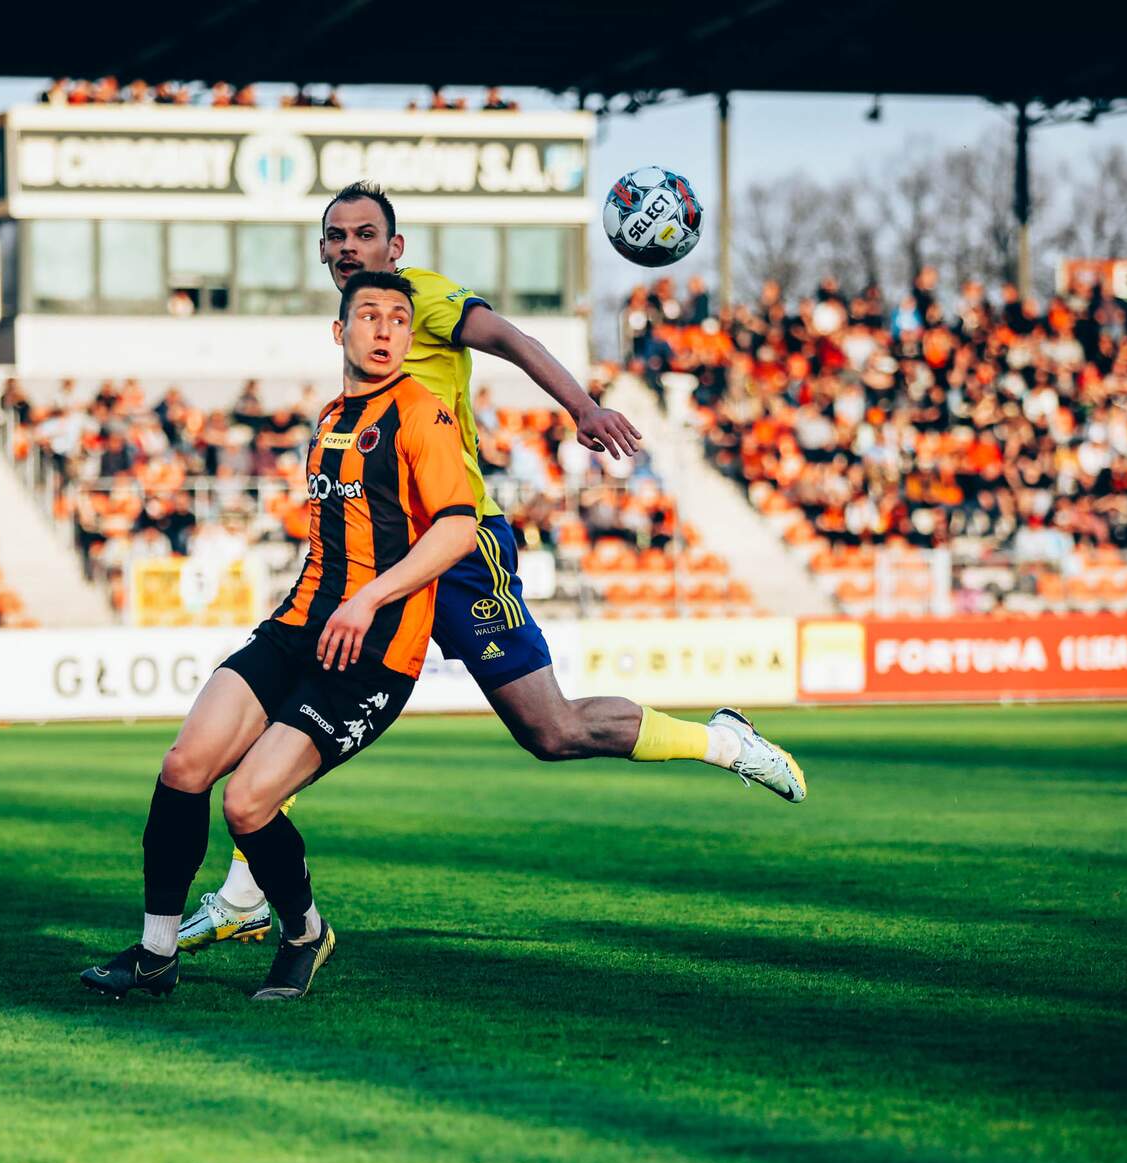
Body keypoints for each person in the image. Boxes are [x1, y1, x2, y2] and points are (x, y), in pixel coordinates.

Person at [175, 182, 808, 951]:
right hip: (378, 559)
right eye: (336, 236)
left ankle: (723, 742)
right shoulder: (361, 331)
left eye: (365, 234)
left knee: (552, 730)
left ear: (394, 249)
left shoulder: (424, 298)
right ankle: (245, 895)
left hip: (459, 550)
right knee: (303, 707)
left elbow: (511, 340)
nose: (349, 247)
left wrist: (583, 408)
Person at [81, 272, 479, 1000]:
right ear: (340, 331)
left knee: (247, 803)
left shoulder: (424, 413)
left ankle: (303, 933)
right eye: (369, 315)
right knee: (184, 766)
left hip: (373, 652)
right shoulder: (330, 417)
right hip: (296, 629)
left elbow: (458, 528)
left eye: (399, 318)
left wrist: (369, 600)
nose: (386, 329)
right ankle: (156, 954)